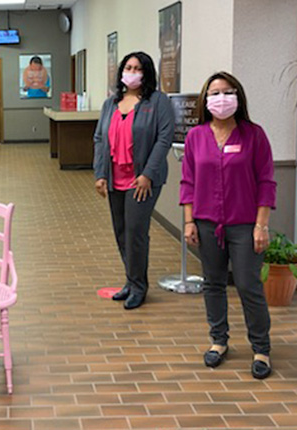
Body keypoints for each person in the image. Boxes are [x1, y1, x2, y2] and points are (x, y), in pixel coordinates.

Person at [180, 72, 276, 379]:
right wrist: (188, 221)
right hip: (207, 223)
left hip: (245, 225)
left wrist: (261, 225)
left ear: (238, 97)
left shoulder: (254, 135)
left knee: (248, 285)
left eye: (227, 92)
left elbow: (266, 182)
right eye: (214, 92)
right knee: (213, 283)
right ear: (205, 100)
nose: (221, 98)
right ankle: (218, 341)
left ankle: (261, 348)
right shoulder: (196, 137)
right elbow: (188, 182)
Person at [93, 51, 174, 310]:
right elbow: (99, 139)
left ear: (146, 73)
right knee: (121, 231)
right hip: (115, 176)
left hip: (142, 180)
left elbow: (164, 139)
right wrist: (100, 173)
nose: (131, 72)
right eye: (127, 67)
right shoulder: (111, 103)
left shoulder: (157, 101)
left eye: (137, 68)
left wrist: (147, 174)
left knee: (136, 232)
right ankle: (131, 280)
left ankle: (139, 286)